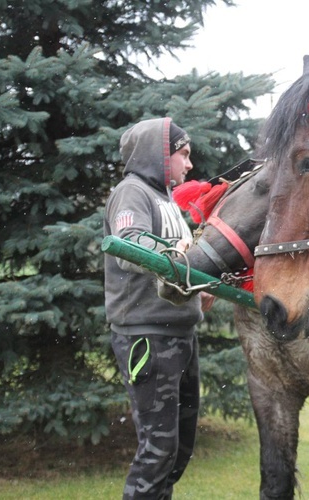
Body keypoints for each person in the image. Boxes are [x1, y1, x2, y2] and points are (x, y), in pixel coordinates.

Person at [104, 117, 214, 499]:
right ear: (157, 154)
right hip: (147, 338)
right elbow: (130, 245)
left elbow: (177, 272)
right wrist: (178, 259)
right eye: (183, 155)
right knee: (157, 450)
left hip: (181, 335)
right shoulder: (131, 192)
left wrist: (200, 292)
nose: (189, 164)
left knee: (177, 451)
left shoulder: (166, 199)